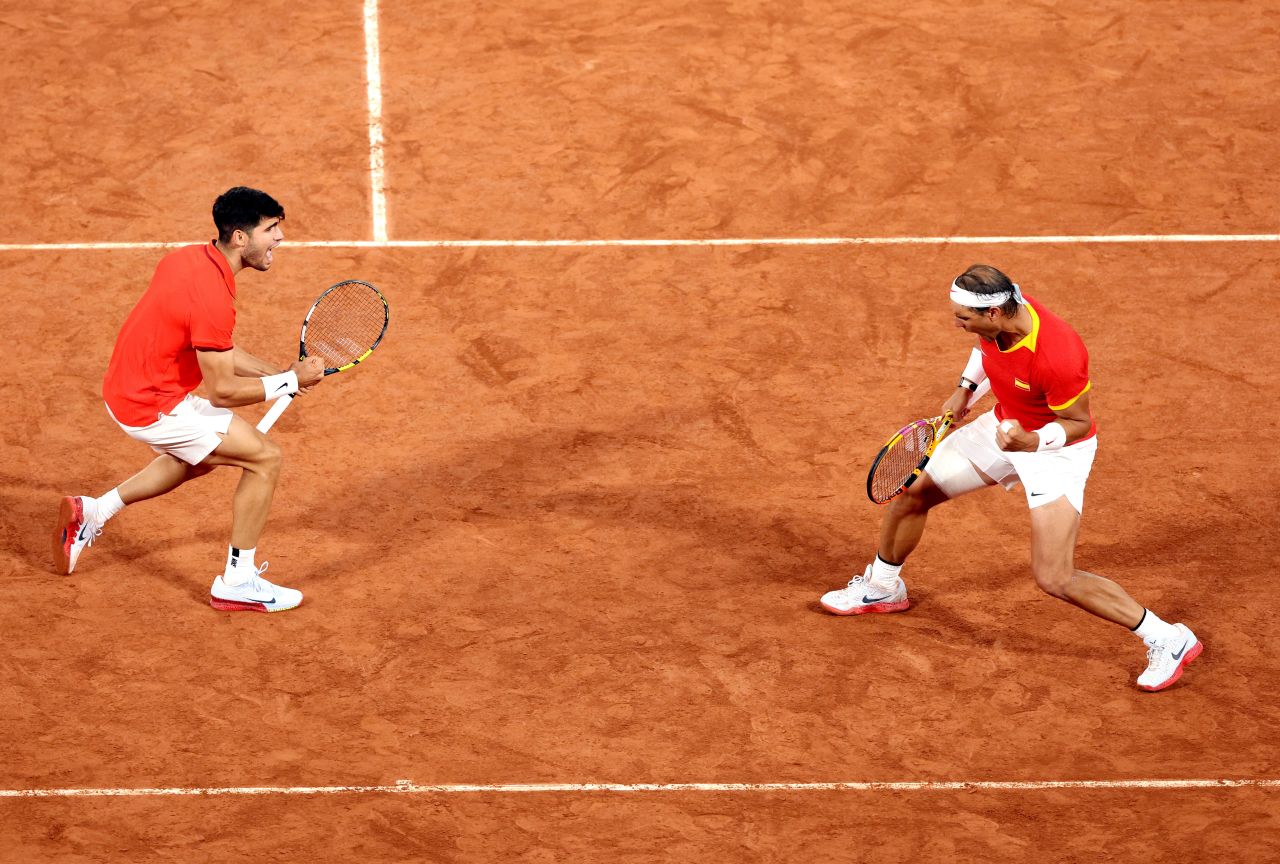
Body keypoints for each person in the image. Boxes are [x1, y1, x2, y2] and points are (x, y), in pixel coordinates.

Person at [820, 264, 1201, 691]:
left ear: (996, 312)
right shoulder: (999, 319)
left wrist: (1032, 443)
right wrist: (966, 388)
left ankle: (1168, 638)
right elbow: (984, 350)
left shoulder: (1058, 354)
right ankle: (883, 587)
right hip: (1002, 429)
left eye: (964, 316)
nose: (956, 322)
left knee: (1055, 577)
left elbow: (1077, 422)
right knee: (912, 492)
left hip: (1055, 453)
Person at [52, 187, 324, 612]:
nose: (279, 238)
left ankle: (94, 512)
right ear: (239, 237)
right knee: (264, 458)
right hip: (150, 403)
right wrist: (288, 381)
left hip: (128, 385)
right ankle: (237, 581)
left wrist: (280, 374)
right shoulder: (214, 297)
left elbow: (218, 350)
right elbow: (222, 390)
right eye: (271, 229)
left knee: (197, 456)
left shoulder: (189, 258)